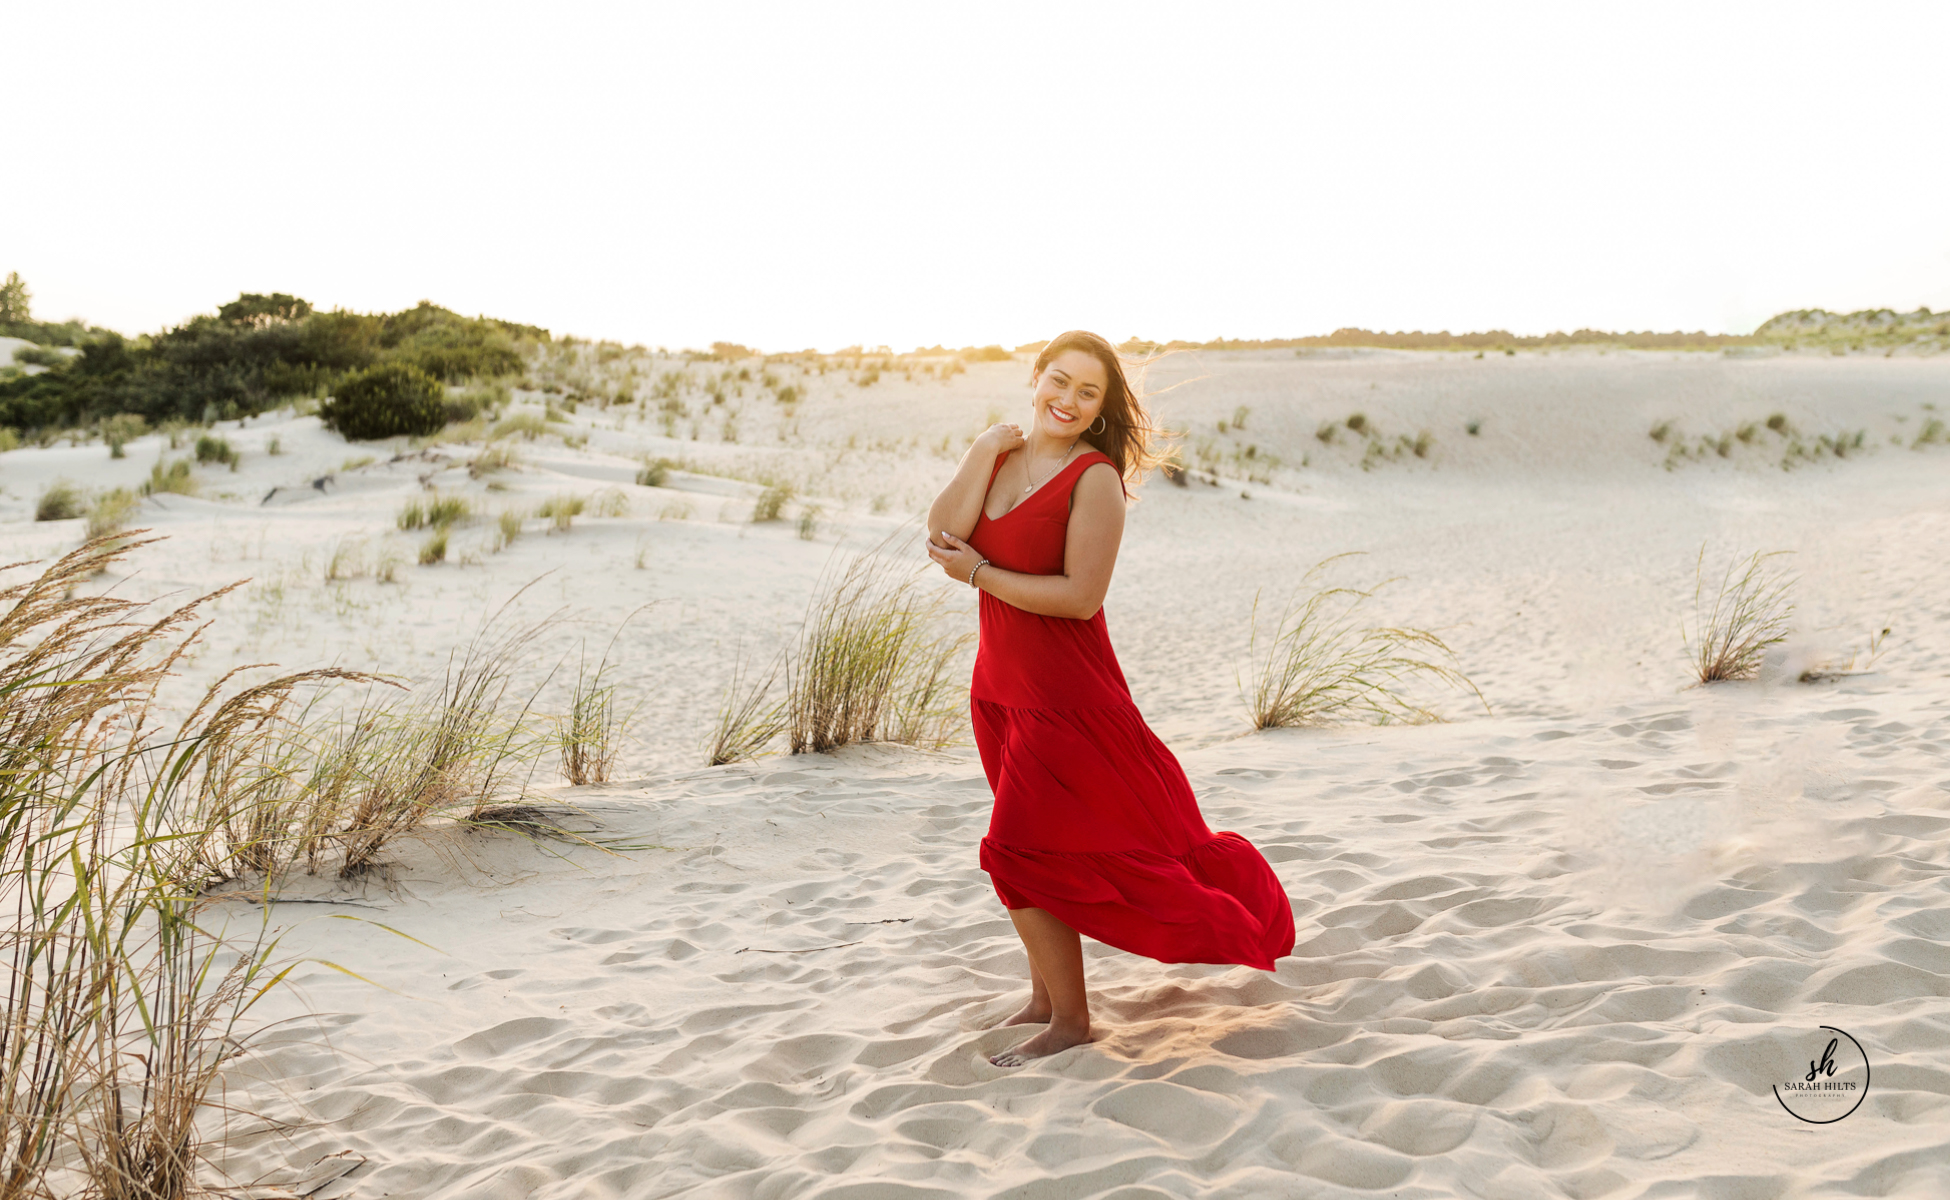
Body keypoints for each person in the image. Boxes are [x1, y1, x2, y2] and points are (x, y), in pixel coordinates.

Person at [925, 330, 1295, 1067]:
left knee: (1013, 852)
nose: (1067, 399)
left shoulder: (1095, 479)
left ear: (1100, 410)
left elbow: (1078, 597)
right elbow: (942, 535)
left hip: (1065, 696)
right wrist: (977, 451)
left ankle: (1071, 1022)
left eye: (1087, 392)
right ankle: (1042, 998)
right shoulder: (999, 457)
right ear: (1034, 380)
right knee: (1037, 852)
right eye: (1058, 381)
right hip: (999, 690)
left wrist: (978, 577)